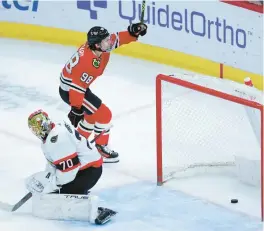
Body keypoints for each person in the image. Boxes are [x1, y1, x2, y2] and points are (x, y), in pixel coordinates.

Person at [59, 23, 148, 163]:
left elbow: (117, 38)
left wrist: (132, 33)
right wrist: (76, 108)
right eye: (106, 40)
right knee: (105, 115)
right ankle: (101, 148)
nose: (109, 42)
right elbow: (77, 86)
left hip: (77, 87)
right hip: (71, 91)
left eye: (107, 39)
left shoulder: (99, 47)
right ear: (97, 45)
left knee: (91, 118)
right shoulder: (87, 62)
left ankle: (76, 145)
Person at [25, 109, 116, 225]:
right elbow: (54, 163)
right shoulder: (53, 133)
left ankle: (93, 211)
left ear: (45, 124)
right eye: (34, 129)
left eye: (39, 127)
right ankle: (78, 192)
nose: (38, 132)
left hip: (89, 172)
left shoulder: (57, 139)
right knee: (53, 192)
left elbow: (69, 173)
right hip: (84, 169)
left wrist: (50, 186)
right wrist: (47, 179)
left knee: (56, 196)